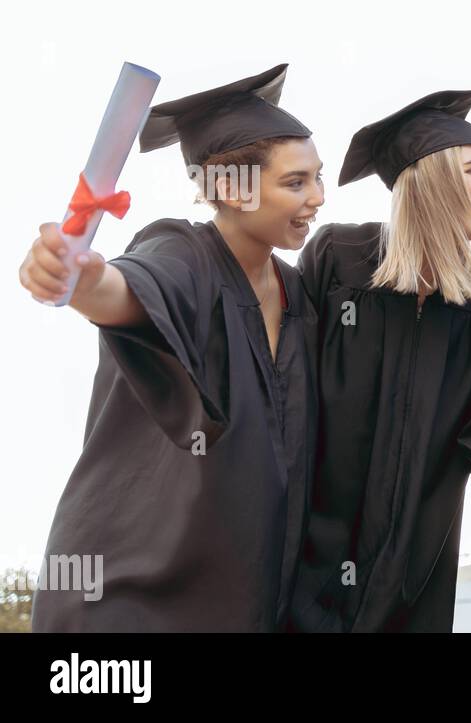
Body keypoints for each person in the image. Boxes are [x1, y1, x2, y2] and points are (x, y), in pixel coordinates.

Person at [20, 64, 324, 631]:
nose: (318, 198)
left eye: (317, 178)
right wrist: (82, 280)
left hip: (238, 600)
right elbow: (128, 288)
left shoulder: (297, 293)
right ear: (231, 187)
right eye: (296, 183)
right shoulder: (182, 253)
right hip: (127, 599)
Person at [289, 90, 471, 632]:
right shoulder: (338, 258)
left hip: (417, 558)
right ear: (429, 178)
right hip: (307, 547)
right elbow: (282, 381)